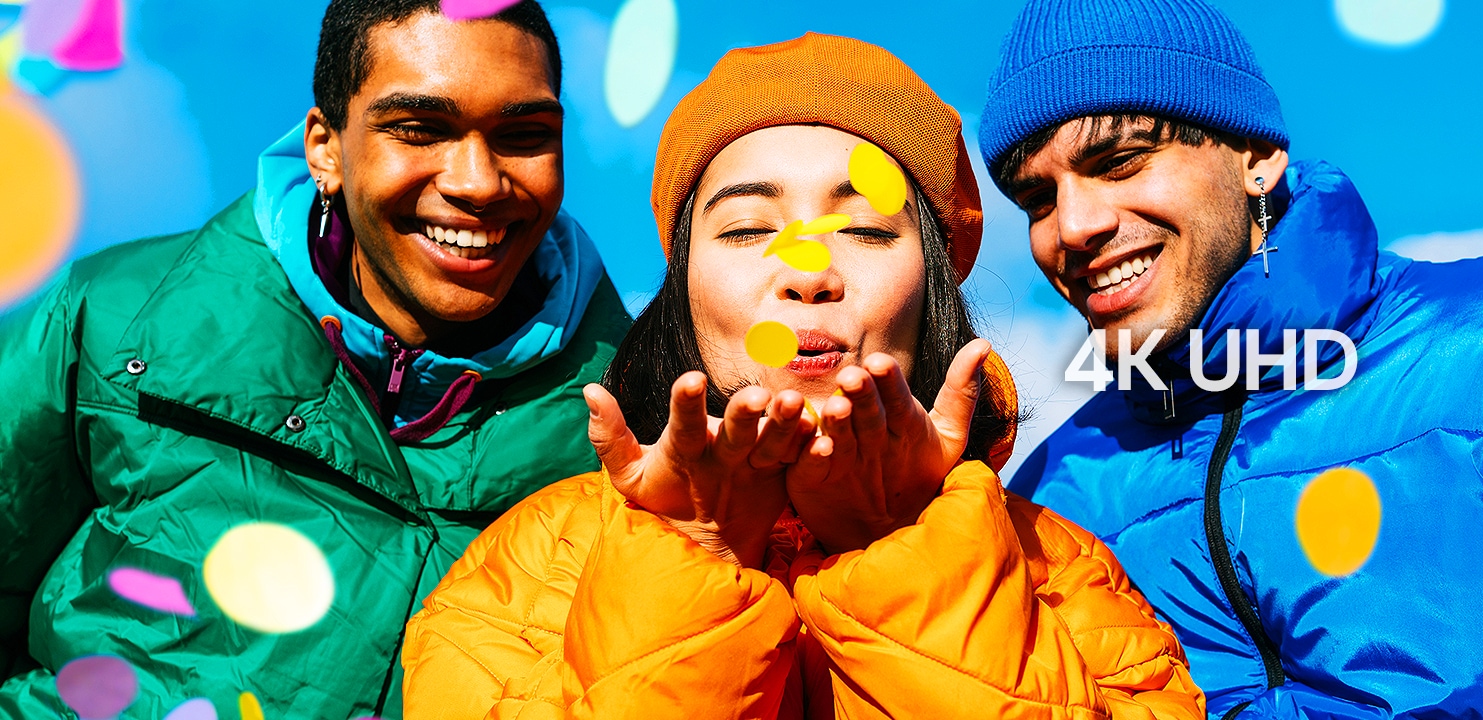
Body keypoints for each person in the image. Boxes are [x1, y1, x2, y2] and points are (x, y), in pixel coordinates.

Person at [402, 33, 1206, 718]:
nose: (807, 271)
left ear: (931, 290)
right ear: (681, 293)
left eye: (861, 228)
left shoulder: (1063, 571)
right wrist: (694, 555)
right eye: (749, 227)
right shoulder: (521, 575)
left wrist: (899, 552)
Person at [0, 1, 631, 717]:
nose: (479, 182)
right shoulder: (112, 316)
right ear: (325, 147)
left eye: (524, 135)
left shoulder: (634, 425)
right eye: (420, 129)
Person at [980, 0, 1483, 716]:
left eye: (1120, 163)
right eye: (1037, 200)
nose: (1073, 227)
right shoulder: (1047, 502)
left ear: (1256, 157)